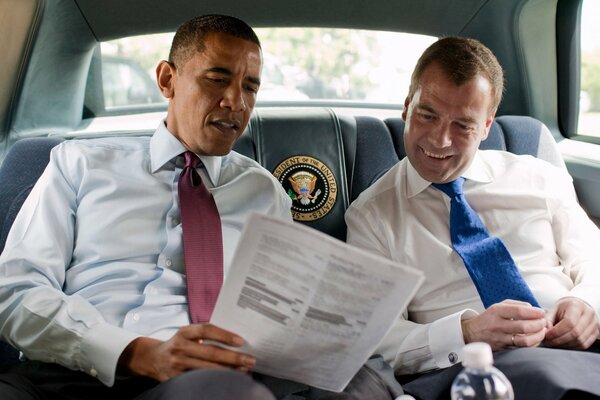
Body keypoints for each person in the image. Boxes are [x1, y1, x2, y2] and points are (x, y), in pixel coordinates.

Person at [0, 14, 397, 400]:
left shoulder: (264, 191)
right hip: (69, 374)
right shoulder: (80, 164)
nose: (236, 102)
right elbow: (16, 291)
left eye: (250, 87)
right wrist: (132, 351)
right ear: (167, 80)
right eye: (218, 79)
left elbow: (283, 315)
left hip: (204, 383)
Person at [345, 36, 600, 400]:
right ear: (406, 108)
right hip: (472, 373)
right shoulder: (373, 216)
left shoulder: (539, 178)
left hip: (580, 353)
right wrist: (467, 332)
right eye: (427, 115)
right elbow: (377, 338)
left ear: (485, 126)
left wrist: (587, 305)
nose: (440, 140)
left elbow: (594, 259)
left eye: (463, 125)